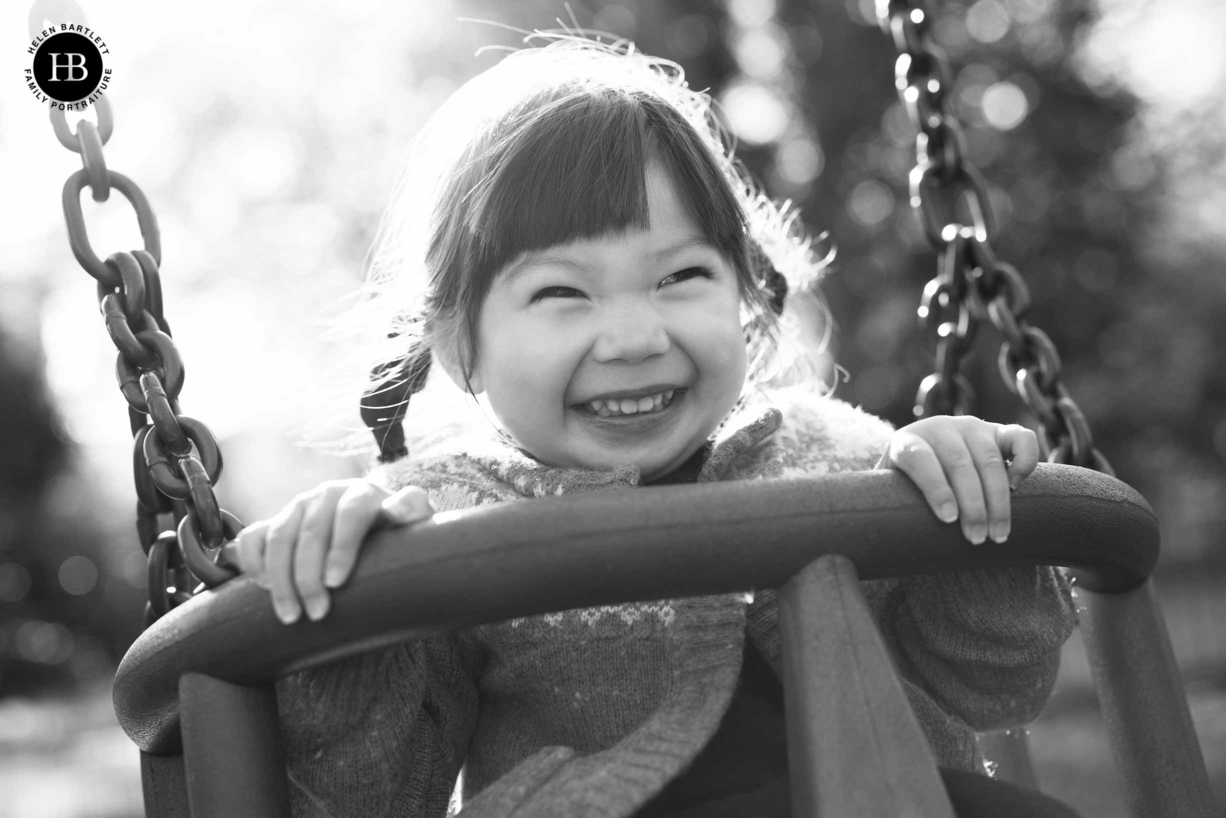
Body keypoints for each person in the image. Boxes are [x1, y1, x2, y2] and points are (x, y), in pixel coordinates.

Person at [232, 37, 1079, 818]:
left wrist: (971, 512)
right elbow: (376, 790)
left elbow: (995, 684)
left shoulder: (838, 457)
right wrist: (341, 618)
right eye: (563, 293)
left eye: (680, 276)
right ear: (458, 343)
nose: (638, 338)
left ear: (745, 296)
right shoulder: (441, 521)